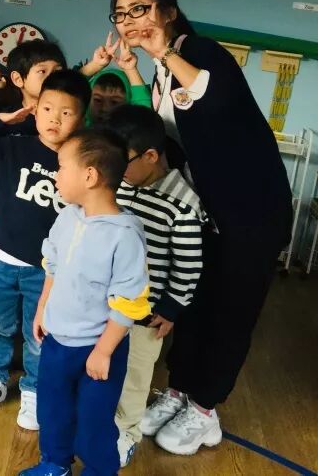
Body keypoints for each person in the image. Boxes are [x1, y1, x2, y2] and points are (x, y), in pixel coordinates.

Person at [107, 0, 292, 455]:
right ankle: (179, 390)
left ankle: (206, 408)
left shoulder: (203, 52)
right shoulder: (161, 69)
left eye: (140, 9)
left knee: (231, 310)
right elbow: (162, 131)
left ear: (169, 12)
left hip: (251, 211)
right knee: (195, 302)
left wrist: (162, 50)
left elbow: (214, 99)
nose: (129, 20)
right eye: (121, 14)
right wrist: (137, 70)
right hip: (207, 210)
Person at [0, 69, 89, 430]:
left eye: (66, 112)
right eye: (47, 109)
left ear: (81, 119)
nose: (54, 119)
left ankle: (33, 389)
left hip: (47, 273)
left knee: (38, 334)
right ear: (35, 108)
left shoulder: (79, 165)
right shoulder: (14, 145)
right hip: (2, 258)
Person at [20, 128, 150, 476]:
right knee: (53, 410)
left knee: (94, 422)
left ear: (90, 176)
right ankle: (55, 463)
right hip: (57, 341)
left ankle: (99, 470)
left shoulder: (124, 235)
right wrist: (42, 308)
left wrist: (104, 351)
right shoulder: (68, 216)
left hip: (97, 349)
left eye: (62, 167)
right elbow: (53, 265)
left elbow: (129, 303)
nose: (55, 174)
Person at [107, 105, 204, 467]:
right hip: (107, 305)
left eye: (123, 161)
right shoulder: (119, 183)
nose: (115, 169)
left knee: (134, 379)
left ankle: (126, 433)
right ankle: (99, 421)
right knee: (101, 368)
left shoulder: (182, 204)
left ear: (150, 156)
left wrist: (172, 307)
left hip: (146, 316)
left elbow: (188, 266)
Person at [0, 39, 64, 380]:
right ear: (19, 79)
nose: (52, 77)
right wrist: (1, 120)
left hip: (38, 234)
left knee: (35, 309)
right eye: (43, 71)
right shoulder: (8, 122)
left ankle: (30, 377)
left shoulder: (64, 135)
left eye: (57, 71)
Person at [80, 31, 153, 124]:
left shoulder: (131, 130)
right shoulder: (79, 125)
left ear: (129, 103)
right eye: (98, 100)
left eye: (114, 102)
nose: (105, 108)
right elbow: (68, 88)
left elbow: (143, 110)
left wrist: (131, 69)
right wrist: (95, 65)